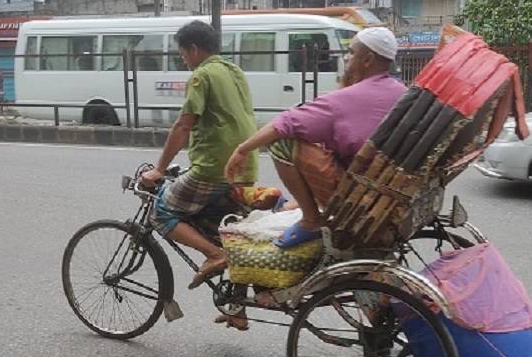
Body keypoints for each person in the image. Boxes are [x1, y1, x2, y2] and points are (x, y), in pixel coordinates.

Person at [224, 27, 406, 248]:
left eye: (351, 53)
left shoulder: (348, 98)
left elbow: (284, 124)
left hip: (357, 193)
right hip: (385, 189)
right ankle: (303, 207)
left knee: (282, 143)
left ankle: (311, 219)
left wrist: (242, 150)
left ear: (367, 59)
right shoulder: (401, 92)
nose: (346, 58)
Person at [141, 21, 258, 304]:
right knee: (230, 234)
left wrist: (158, 169)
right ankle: (237, 308)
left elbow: (183, 126)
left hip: (213, 168)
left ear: (194, 49)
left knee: (160, 211)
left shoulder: (201, 76)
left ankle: (213, 255)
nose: (183, 60)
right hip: (246, 165)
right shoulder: (234, 71)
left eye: (182, 54)